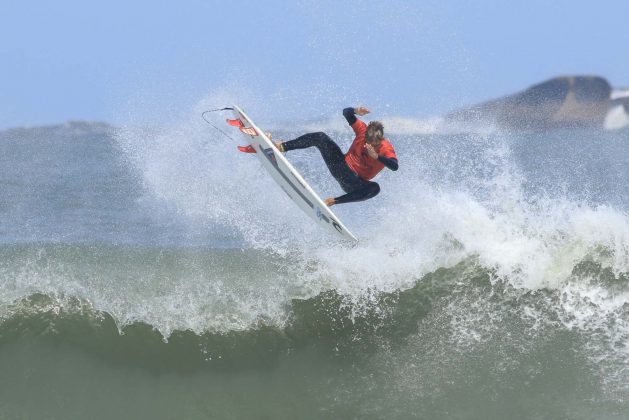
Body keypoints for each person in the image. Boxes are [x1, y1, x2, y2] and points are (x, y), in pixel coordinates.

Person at [242, 106, 398, 206]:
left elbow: (394, 166)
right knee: (321, 137)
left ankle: (333, 201)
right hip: (340, 166)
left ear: (381, 139)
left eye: (375, 144)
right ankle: (281, 146)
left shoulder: (386, 149)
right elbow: (346, 112)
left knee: (375, 188)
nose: (370, 146)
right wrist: (356, 110)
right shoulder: (362, 130)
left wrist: (377, 156)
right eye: (368, 142)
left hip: (354, 183)